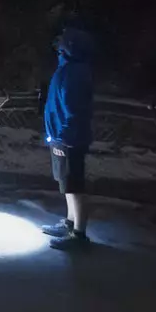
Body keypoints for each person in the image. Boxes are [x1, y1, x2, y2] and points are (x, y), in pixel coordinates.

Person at [40, 21, 96, 249]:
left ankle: (79, 235)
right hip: (64, 137)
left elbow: (75, 111)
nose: (58, 44)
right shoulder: (69, 69)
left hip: (69, 139)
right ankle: (71, 223)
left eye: (63, 42)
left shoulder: (73, 74)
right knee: (67, 184)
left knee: (74, 185)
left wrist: (62, 137)